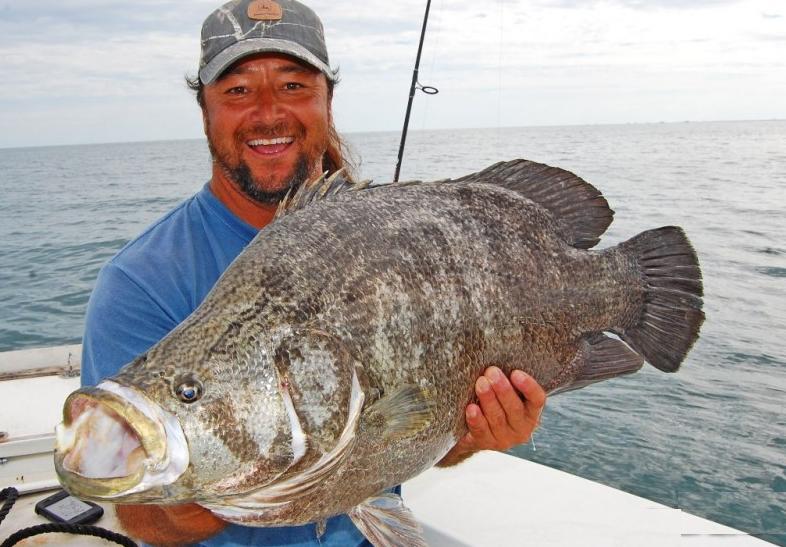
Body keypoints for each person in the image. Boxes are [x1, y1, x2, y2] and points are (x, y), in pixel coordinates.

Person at [80, 0, 547, 545]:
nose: (268, 112)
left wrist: (470, 435)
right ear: (204, 110)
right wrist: (249, 467)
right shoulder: (140, 283)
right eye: (237, 91)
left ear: (327, 100)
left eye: (294, 86)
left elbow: (406, 433)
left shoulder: (390, 238)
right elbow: (140, 515)